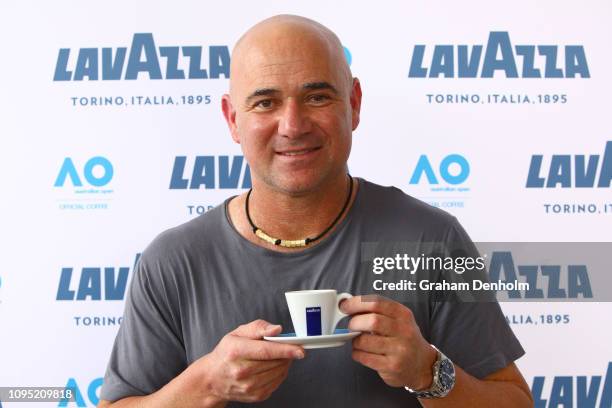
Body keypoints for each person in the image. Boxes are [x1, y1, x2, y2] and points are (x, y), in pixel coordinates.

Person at [98, 15, 533, 407]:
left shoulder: (428, 239)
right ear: (232, 119)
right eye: (265, 102)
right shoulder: (174, 260)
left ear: (354, 103)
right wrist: (206, 384)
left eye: (318, 97)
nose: (293, 125)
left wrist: (428, 372)